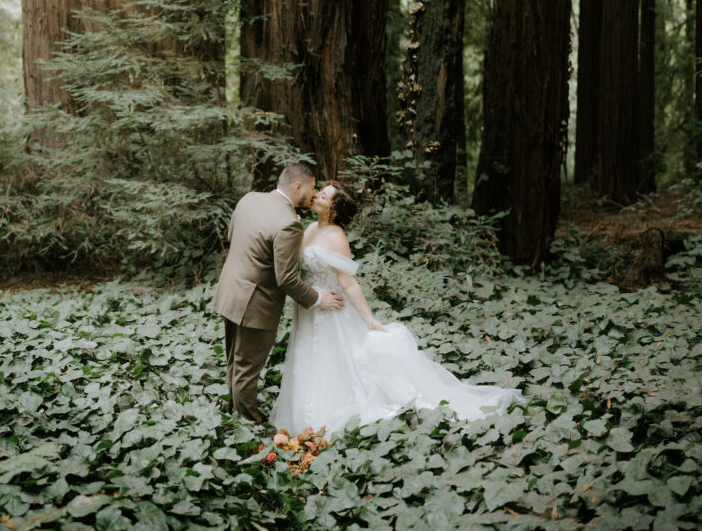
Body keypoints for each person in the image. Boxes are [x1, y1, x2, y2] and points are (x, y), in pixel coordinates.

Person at [271, 181, 525, 435]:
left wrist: (368, 319)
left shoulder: (336, 236)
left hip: (330, 311)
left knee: (329, 362)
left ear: (333, 210)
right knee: (307, 359)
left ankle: (326, 418)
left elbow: (348, 283)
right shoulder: (311, 227)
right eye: (319, 192)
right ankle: (303, 415)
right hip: (310, 306)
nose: (315, 196)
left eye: (323, 196)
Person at [213, 163, 343, 424]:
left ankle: (234, 415)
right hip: (255, 304)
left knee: (234, 362)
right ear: (298, 186)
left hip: (230, 290)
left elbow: (233, 235)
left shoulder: (249, 199)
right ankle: (249, 424)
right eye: (312, 187)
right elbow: (286, 278)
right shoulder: (288, 224)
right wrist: (317, 299)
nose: (313, 193)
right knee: (247, 369)